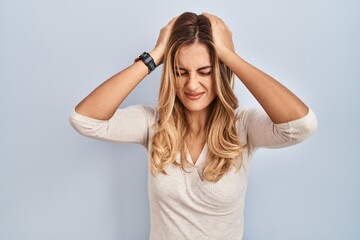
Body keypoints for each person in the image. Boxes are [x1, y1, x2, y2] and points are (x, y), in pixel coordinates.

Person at [69, 12, 317, 240]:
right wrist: (154, 55)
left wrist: (229, 56)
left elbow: (301, 125)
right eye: (181, 72)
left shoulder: (244, 127)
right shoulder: (153, 124)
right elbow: (85, 120)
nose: (192, 85)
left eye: (204, 71)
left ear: (220, 71)